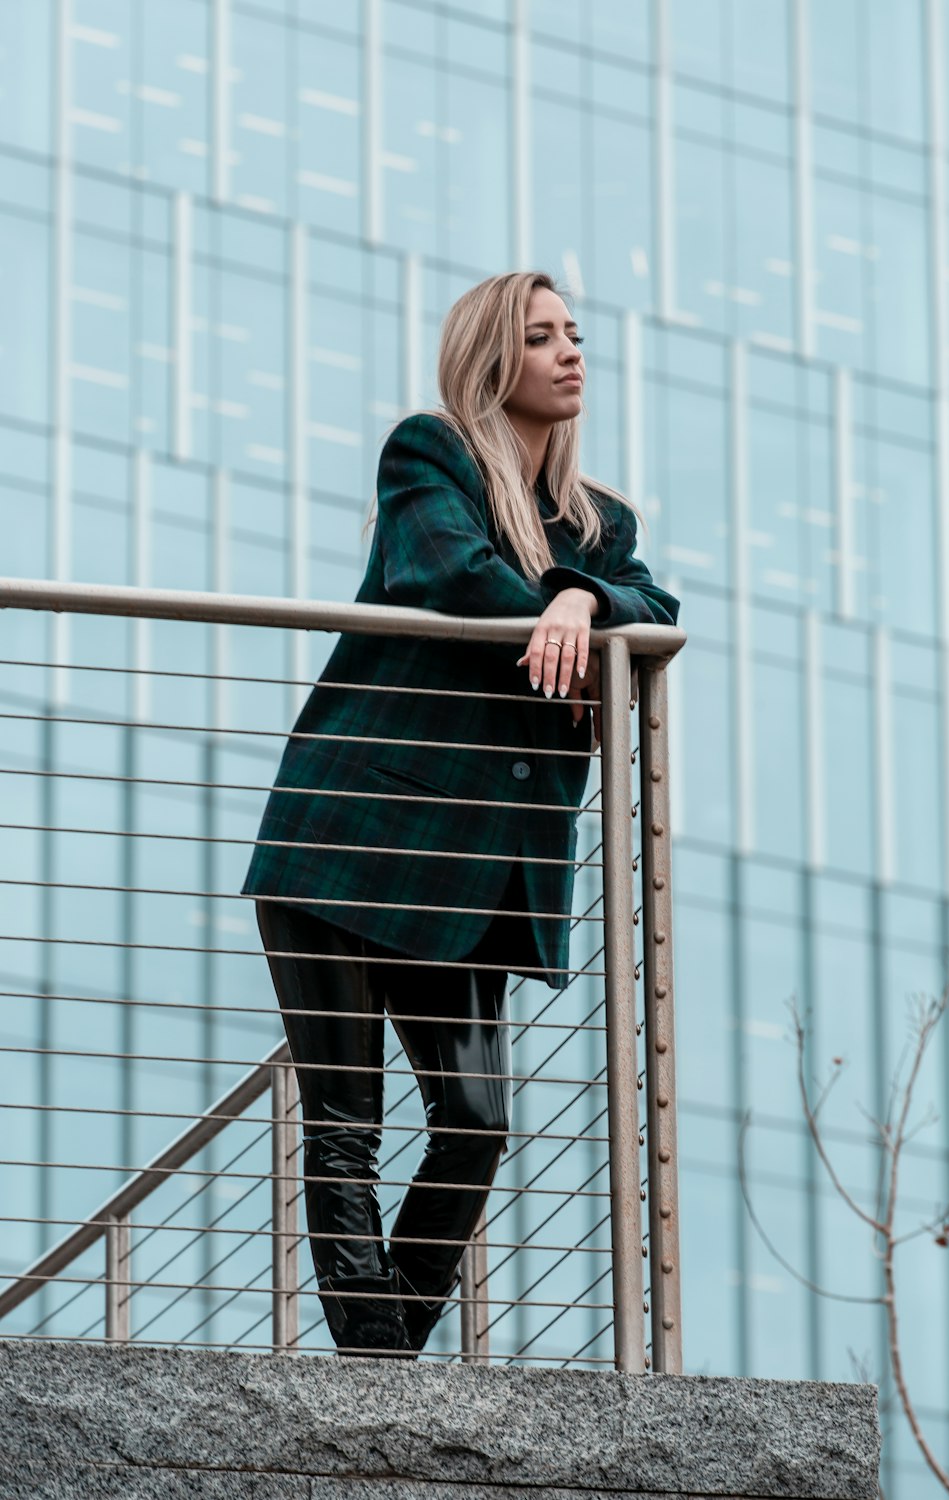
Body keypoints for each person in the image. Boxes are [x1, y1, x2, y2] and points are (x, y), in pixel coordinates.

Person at [242, 271, 680, 1357]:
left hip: (476, 867)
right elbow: (450, 574)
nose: (571, 352)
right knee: (348, 1121)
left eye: (574, 333)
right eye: (541, 338)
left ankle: (384, 1362)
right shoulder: (426, 454)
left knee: (475, 1121)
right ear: (495, 360)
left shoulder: (598, 523)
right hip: (350, 837)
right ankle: (384, 1377)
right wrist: (564, 598)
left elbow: (656, 607)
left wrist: (585, 595)